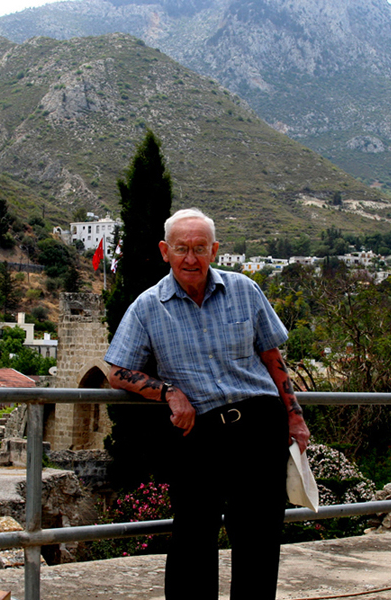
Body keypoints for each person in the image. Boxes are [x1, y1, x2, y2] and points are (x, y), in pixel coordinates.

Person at [105, 208, 310, 599]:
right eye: (182, 248)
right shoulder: (148, 306)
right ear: (165, 251)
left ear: (214, 250)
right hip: (199, 433)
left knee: (259, 537)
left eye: (200, 248)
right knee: (192, 538)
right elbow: (117, 371)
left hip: (259, 425)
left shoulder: (245, 290)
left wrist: (295, 418)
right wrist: (169, 392)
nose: (190, 258)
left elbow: (272, 358)